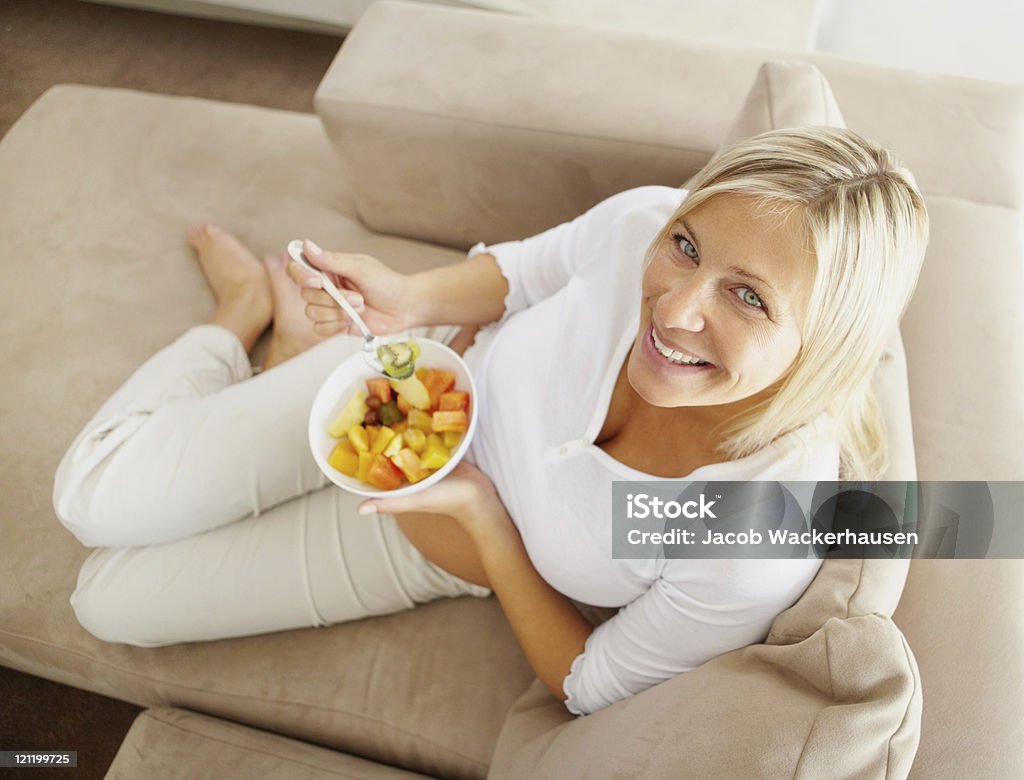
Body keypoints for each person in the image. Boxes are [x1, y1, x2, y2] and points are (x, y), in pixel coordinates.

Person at [53, 127, 928, 717]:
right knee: (93, 500)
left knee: (108, 601)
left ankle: (270, 340)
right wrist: (406, 301)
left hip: (416, 540)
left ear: (825, 346)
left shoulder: (750, 527)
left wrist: (480, 517)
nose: (674, 308)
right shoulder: (640, 229)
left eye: (747, 298)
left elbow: (589, 681)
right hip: (416, 377)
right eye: (688, 247)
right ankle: (237, 319)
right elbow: (520, 272)